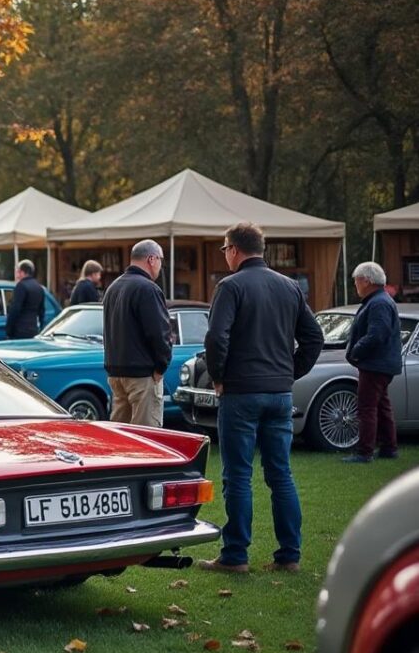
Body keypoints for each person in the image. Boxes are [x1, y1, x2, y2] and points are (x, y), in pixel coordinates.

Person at [199, 222, 323, 574]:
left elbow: (216, 337)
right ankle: (289, 555)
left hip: (240, 392)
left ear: (235, 250)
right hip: (279, 394)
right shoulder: (290, 287)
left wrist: (219, 377)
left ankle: (235, 555)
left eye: (225, 249)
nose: (225, 255)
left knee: (237, 475)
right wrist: (289, 372)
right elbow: (314, 337)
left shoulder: (231, 286)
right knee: (280, 474)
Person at [102, 241, 170, 427]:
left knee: (120, 436)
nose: (160, 266)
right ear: (151, 259)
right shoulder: (148, 288)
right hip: (142, 374)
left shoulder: (113, 287)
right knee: (146, 436)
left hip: (116, 372)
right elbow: (159, 333)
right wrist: (161, 367)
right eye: (160, 260)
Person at [343, 262, 402, 463]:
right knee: (381, 406)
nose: (355, 285)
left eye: (356, 281)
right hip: (381, 364)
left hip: (375, 364)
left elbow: (377, 334)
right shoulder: (380, 300)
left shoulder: (378, 303)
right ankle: (389, 447)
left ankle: (364, 451)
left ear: (366, 281)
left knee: (367, 407)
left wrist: (356, 351)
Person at [8, 259, 45, 339]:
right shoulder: (39, 287)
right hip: (33, 328)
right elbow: (41, 310)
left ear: (22, 272)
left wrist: (9, 330)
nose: (17, 275)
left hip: (20, 329)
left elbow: (15, 309)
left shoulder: (21, 286)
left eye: (18, 272)